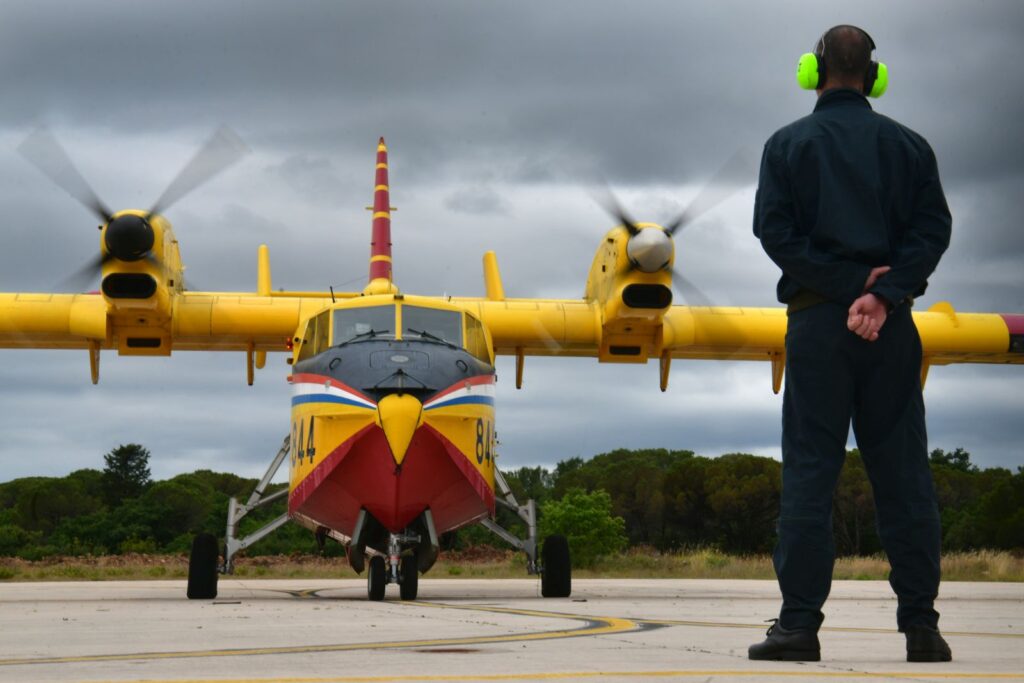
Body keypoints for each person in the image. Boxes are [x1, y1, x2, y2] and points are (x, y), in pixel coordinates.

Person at [751, 25, 953, 663]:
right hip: (892, 329)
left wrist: (845, 288)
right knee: (904, 474)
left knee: (811, 472)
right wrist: (884, 294)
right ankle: (922, 628)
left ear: (812, 72)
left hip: (817, 326)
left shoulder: (786, 145)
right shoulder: (911, 147)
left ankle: (798, 627)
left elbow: (774, 233)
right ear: (873, 77)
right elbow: (933, 231)